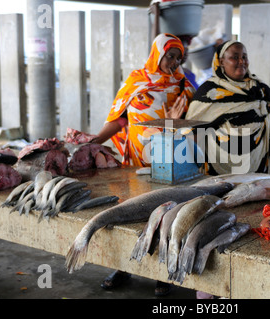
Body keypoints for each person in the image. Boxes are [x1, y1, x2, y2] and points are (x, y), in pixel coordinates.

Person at [92, 33, 196, 296]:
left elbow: (193, 125)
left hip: (170, 163)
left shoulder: (184, 86)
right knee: (129, 213)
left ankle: (162, 273)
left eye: (177, 58)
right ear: (157, 54)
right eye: (169, 56)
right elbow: (118, 119)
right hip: (135, 162)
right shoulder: (136, 81)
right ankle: (123, 266)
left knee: (165, 214)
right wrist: (93, 141)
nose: (172, 62)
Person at [185, 40, 270, 176]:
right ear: (221, 62)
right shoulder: (209, 92)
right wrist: (190, 171)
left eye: (244, 57)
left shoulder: (260, 90)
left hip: (257, 170)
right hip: (217, 174)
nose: (241, 61)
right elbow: (193, 130)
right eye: (235, 57)